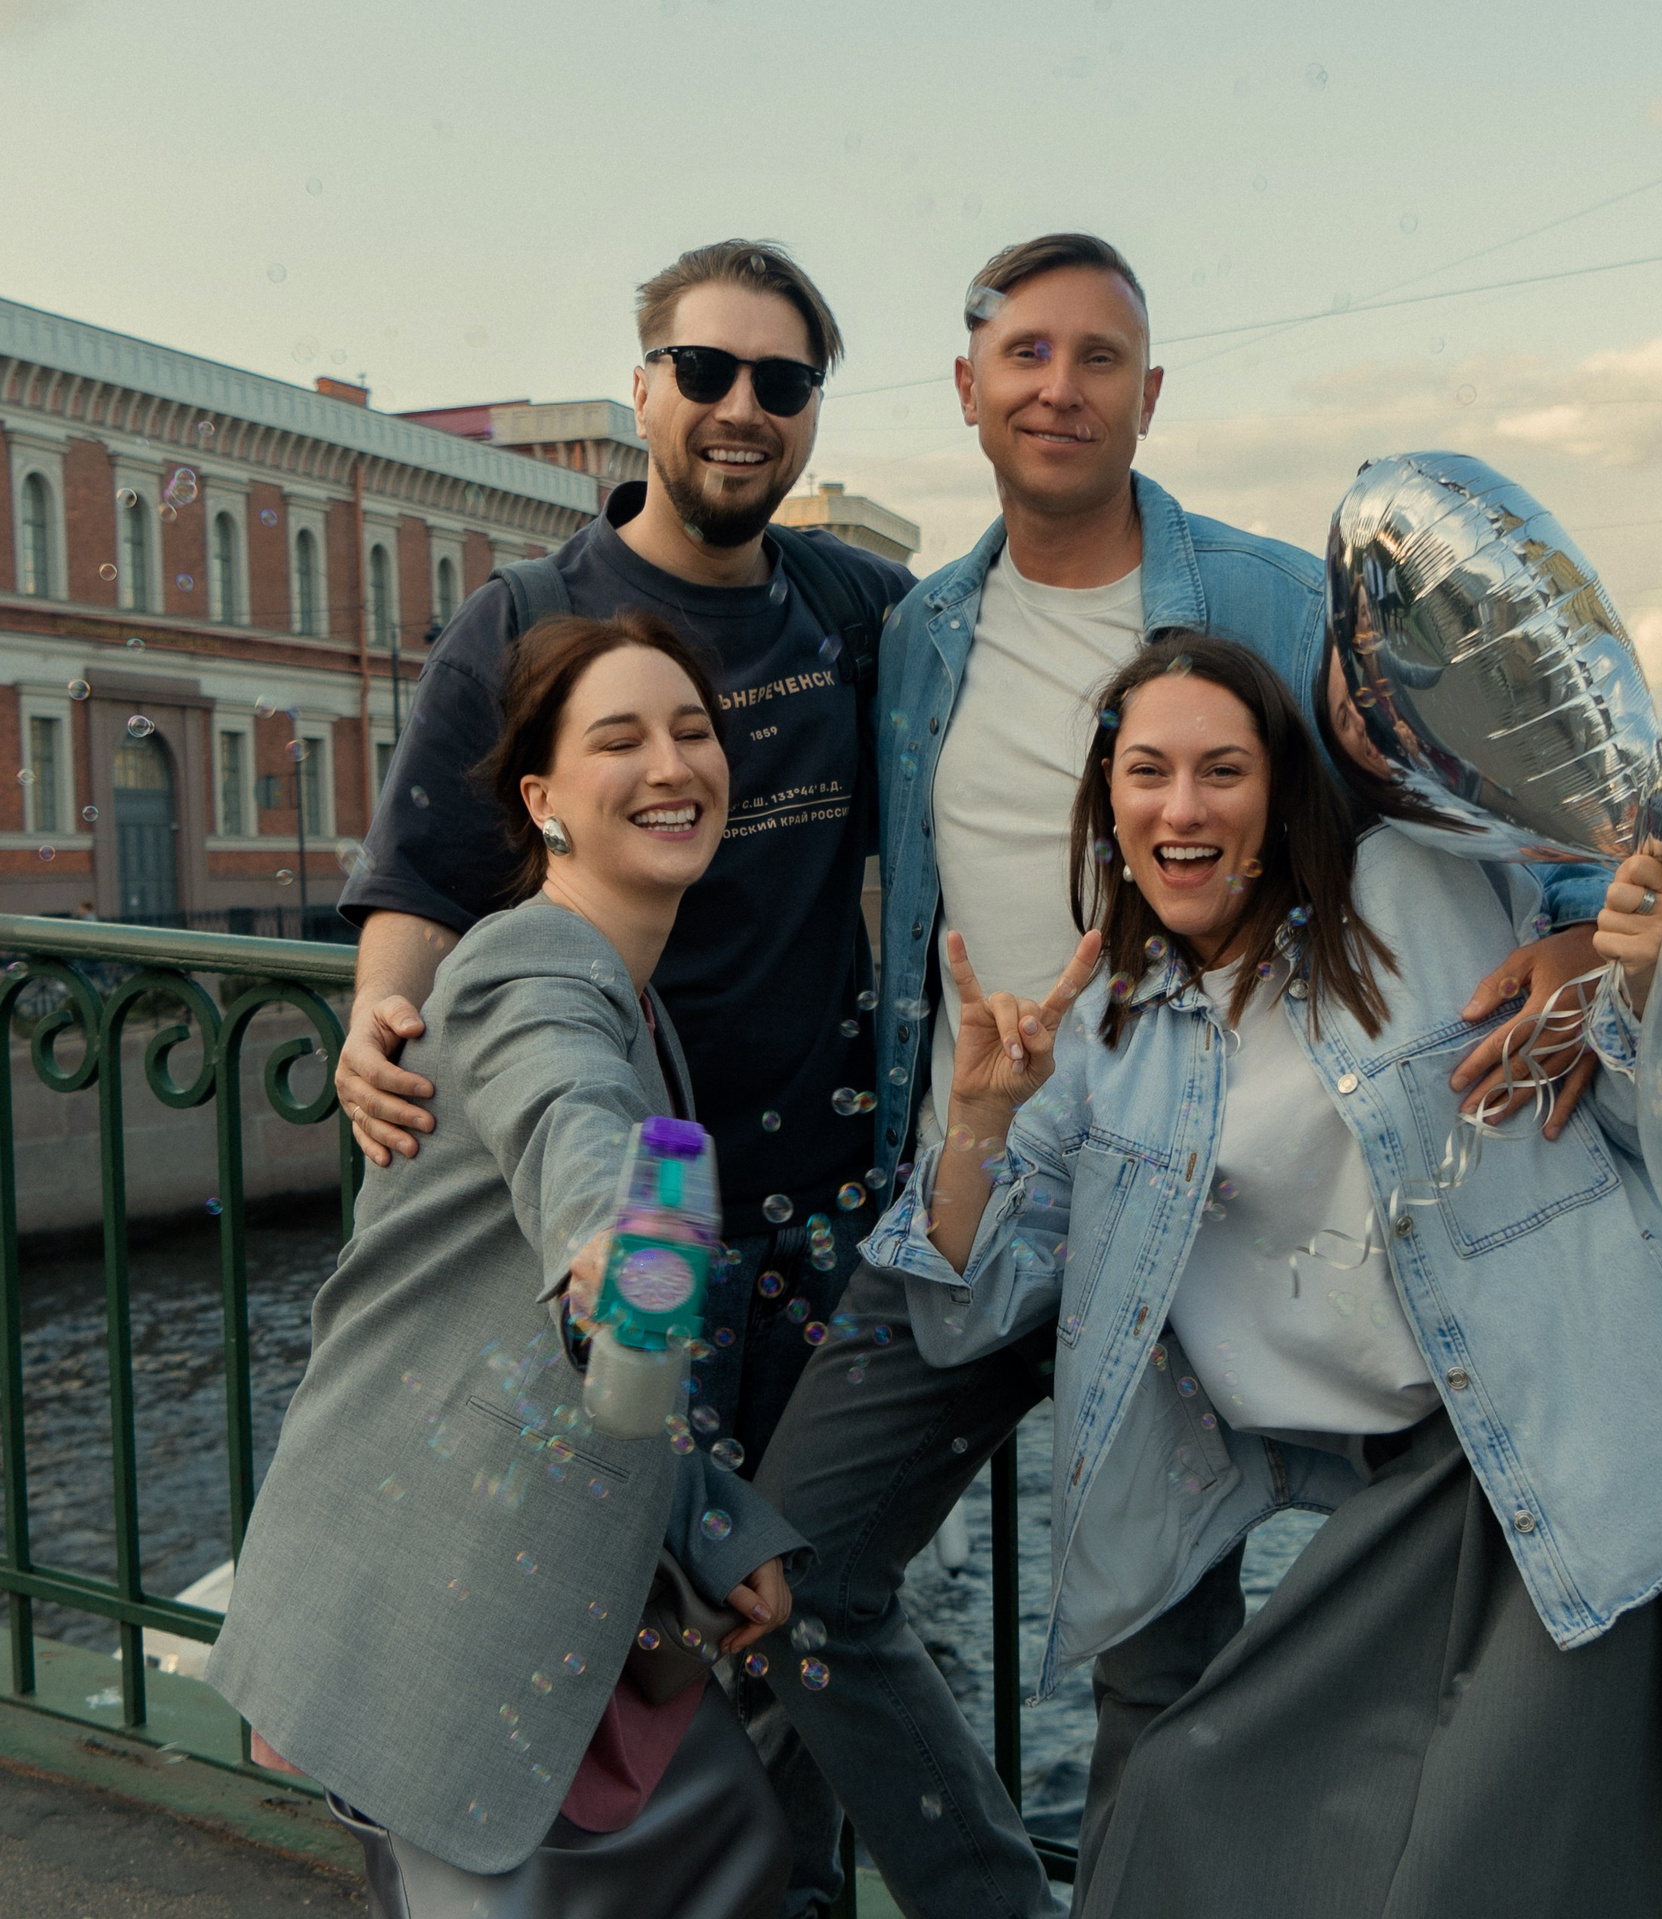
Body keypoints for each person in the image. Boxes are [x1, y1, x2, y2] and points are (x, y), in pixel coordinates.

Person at [750, 233, 1614, 1918]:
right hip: (984, 1175)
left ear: (1150, 394)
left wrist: (1579, 921)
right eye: (1025, 354)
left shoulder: (1275, 599)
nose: (1058, 388)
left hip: (1201, 1188)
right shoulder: (920, 631)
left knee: (1161, 1666)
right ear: (967, 390)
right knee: (797, 1566)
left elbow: (1481, 770)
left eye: (1098, 358)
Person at [867, 635, 1662, 1917]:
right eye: (1148, 771)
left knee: (1493, 1875)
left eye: (1223, 770)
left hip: (1609, 1432)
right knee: (1185, 1796)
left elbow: (1641, 1104)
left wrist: (1617, 964)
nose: (1183, 806)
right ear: (1106, 805)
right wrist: (976, 1124)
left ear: (1280, 793)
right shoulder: (1103, 1046)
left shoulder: (1418, 889)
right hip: (1423, 1504)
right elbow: (966, 1309)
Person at [333, 238, 903, 1914]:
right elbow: (427, 877)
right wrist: (380, 1022)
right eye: (706, 370)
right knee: (594, 1615)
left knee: (791, 1611)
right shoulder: (523, 618)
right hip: (622, 1212)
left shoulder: (856, 612)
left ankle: (774, 1887)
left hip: (817, 1220)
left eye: (783, 380)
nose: (742, 407)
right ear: (643, 387)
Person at [210, 612, 808, 1919]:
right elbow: (567, 1113)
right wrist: (613, 1238)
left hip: (517, 1583)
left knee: (731, 1849)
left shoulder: (627, 988)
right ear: (543, 800)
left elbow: (565, 1358)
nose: (671, 764)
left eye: (693, 730)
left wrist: (709, 1520)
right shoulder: (528, 962)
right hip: (446, 1601)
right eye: (620, 738)